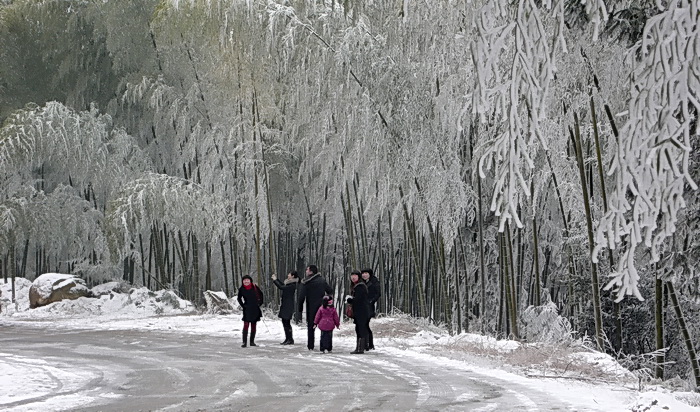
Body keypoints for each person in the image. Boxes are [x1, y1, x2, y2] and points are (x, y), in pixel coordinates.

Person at [297, 265, 333, 350]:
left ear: (311, 271)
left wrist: (300, 308)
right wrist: (327, 300)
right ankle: (325, 346)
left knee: (311, 327)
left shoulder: (306, 282)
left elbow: (301, 296)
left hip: (311, 307)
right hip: (322, 307)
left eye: (307, 269)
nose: (306, 271)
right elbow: (330, 291)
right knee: (325, 326)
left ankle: (310, 346)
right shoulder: (322, 280)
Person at [271, 271, 299, 345]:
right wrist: (277, 279)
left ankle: (290, 339)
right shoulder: (289, 283)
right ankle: (288, 338)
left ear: (293, 276)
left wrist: (275, 280)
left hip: (288, 305)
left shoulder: (292, 285)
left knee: (286, 322)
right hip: (286, 304)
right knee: (285, 322)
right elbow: (283, 285)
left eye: (289, 274)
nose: (288, 275)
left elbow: (281, 287)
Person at [346, 270, 370, 354]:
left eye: (355, 275)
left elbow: (359, 299)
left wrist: (350, 300)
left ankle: (360, 348)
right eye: (352, 275)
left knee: (360, 329)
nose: (353, 277)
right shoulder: (356, 285)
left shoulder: (360, 286)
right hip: (359, 311)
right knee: (359, 328)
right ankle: (360, 347)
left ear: (358, 277)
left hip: (362, 311)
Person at [237, 275, 263, 348]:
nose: (246, 281)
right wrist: (243, 305)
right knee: (246, 324)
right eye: (244, 280)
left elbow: (261, 295)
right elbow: (239, 298)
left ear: (250, 281)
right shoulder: (241, 289)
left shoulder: (254, 287)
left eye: (247, 280)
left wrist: (259, 303)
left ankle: (252, 342)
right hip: (247, 308)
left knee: (253, 325)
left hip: (255, 308)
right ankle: (244, 342)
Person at [362, 268, 380, 350]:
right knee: (364, 325)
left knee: (365, 324)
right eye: (363, 273)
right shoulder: (361, 282)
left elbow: (378, 293)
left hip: (369, 306)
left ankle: (369, 344)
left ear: (370, 274)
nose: (364, 275)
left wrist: (371, 301)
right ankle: (367, 344)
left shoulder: (374, 281)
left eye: (366, 273)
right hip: (361, 306)